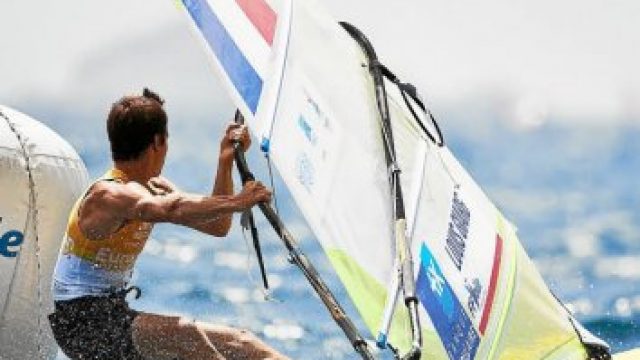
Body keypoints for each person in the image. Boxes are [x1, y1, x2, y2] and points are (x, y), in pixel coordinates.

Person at [48, 88, 288, 360]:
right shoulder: (108, 195)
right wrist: (239, 200)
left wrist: (225, 162)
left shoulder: (152, 188)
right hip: (83, 324)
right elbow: (168, 207)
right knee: (195, 342)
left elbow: (217, 226)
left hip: (113, 315)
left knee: (243, 344)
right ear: (157, 142)